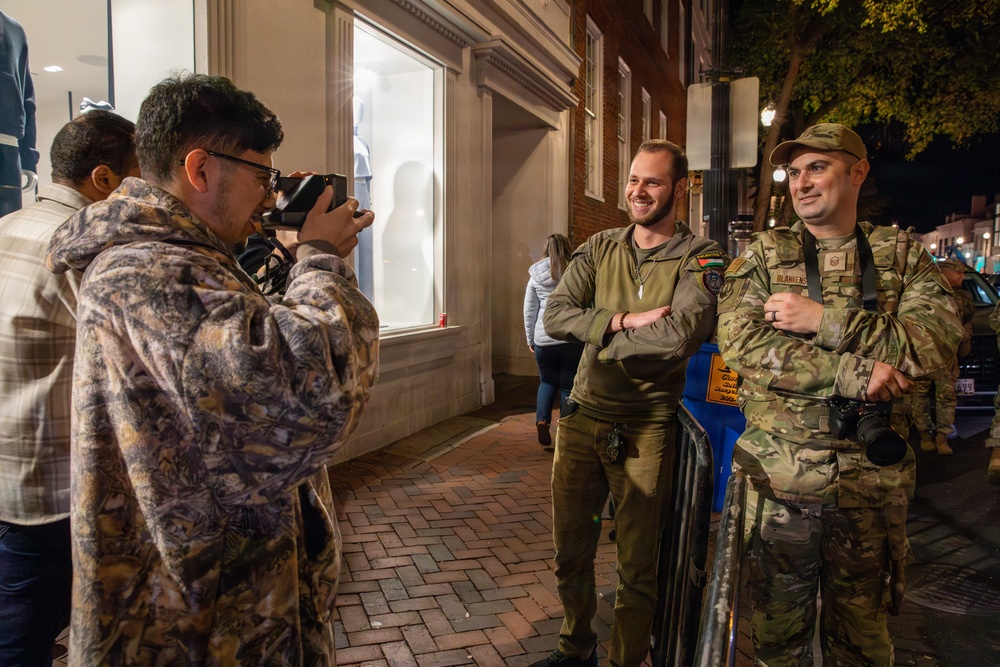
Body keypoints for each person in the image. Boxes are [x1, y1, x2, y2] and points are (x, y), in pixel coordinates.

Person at [45, 74, 379, 664]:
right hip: (193, 624)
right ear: (200, 169)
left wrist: (289, 257)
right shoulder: (148, 270)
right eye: (261, 177)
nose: (270, 197)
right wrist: (319, 260)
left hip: (217, 602)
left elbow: (245, 343)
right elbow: (303, 401)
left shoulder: (182, 258)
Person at [717, 123, 962, 666]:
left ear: (857, 172)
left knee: (862, 641)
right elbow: (742, 344)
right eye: (794, 172)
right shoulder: (765, 255)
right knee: (776, 639)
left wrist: (822, 320)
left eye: (817, 168)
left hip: (871, 484)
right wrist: (855, 375)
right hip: (780, 482)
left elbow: (934, 340)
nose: (802, 183)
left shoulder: (900, 254)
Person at [537, 139, 727, 667]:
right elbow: (555, 315)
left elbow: (680, 335)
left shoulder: (701, 255)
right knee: (570, 553)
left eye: (653, 182)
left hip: (646, 428)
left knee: (637, 566)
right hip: (581, 418)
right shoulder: (601, 246)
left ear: (679, 188)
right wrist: (620, 321)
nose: (638, 192)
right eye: (634, 180)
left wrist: (600, 340)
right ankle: (575, 649)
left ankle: (626, 659)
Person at [0, 110, 138, 666]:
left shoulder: (8, 225)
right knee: (25, 642)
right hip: (49, 492)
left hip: (11, 474)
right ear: (104, 178)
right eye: (140, 177)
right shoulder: (85, 250)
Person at [523, 233, 584, 446]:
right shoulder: (576, 271)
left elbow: (530, 310)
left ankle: (542, 420)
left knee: (547, 382)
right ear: (568, 247)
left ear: (546, 248)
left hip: (544, 338)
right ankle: (565, 429)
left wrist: (530, 339)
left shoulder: (535, 276)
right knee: (568, 386)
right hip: (570, 337)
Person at [912, 259, 973, 455]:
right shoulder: (923, 290)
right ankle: (925, 435)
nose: (962, 277)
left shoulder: (962, 296)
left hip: (948, 355)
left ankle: (942, 437)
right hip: (923, 354)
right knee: (919, 396)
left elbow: (967, 319)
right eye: (959, 273)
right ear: (945, 273)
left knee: (946, 396)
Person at [0, 10, 38, 216]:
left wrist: (28, 157)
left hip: (8, 143)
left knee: (6, 221)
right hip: (9, 141)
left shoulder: (14, 29)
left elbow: (27, 97)